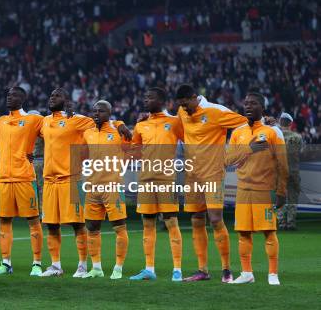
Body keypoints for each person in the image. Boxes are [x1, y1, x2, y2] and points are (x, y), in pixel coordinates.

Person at [40, 88, 131, 277]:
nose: (52, 98)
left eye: (57, 95)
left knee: (80, 224)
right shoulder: (45, 121)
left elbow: (107, 123)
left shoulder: (81, 121)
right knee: (56, 225)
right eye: (51, 95)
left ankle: (91, 266)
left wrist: (120, 122)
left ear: (66, 101)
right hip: (55, 181)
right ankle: (64, 266)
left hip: (77, 180)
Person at [175, 84, 248, 283]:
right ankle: (203, 270)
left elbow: (245, 124)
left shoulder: (216, 111)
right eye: (181, 106)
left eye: (186, 105)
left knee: (215, 219)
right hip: (192, 175)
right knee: (196, 220)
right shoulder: (181, 111)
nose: (184, 109)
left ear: (193, 97)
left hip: (213, 174)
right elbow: (180, 132)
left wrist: (233, 152)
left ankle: (226, 269)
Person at [225, 92, 288, 285]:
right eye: (246, 104)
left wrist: (280, 191)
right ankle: (247, 273)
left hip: (264, 191)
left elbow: (282, 165)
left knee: (269, 231)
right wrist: (249, 149)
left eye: (252, 104)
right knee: (243, 232)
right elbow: (227, 160)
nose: (248, 107)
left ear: (262, 107)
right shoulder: (238, 132)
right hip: (243, 190)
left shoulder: (272, 132)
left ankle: (273, 274)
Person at [129, 88, 184, 282]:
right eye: (144, 97)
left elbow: (190, 139)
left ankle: (177, 269)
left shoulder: (174, 122)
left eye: (150, 97)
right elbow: (133, 149)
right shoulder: (141, 125)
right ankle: (149, 268)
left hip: (166, 179)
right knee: (148, 224)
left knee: (171, 221)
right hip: (145, 180)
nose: (146, 100)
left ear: (161, 101)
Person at [0, 87, 44, 276]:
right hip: (4, 179)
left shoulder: (33, 120)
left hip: (24, 178)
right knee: (4, 221)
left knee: (33, 220)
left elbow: (55, 132)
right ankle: (5, 263)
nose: (9, 97)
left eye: (13, 95)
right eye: (7, 95)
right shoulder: (1, 121)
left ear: (23, 98)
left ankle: (37, 263)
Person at [80, 100, 129, 280]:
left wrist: (119, 123)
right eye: (94, 111)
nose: (96, 114)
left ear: (109, 114)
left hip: (112, 187)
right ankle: (97, 268)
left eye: (100, 111)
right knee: (92, 227)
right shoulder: (88, 133)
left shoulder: (118, 132)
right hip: (92, 187)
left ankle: (118, 267)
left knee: (119, 226)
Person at [277, 112, 302, 230]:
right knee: (293, 197)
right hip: (293, 171)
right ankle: (291, 222)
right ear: (291, 123)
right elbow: (301, 152)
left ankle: (281, 222)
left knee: (280, 196)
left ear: (280, 122)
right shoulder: (297, 137)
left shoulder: (275, 135)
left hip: (279, 171)